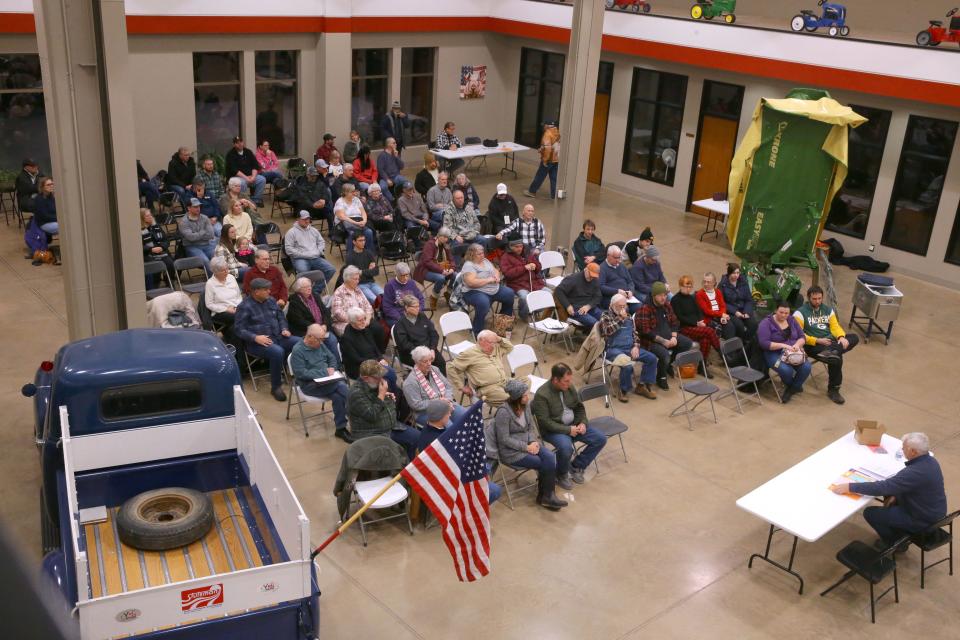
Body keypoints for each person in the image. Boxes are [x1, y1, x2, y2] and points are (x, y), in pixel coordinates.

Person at [831, 432, 946, 549]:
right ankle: (898, 529)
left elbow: (882, 488)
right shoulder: (931, 461)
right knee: (890, 495)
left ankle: (896, 543)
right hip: (933, 511)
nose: (902, 449)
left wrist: (850, 487)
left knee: (871, 513)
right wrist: (896, 494)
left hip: (920, 519)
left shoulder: (915, 472)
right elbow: (911, 485)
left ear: (913, 452)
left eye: (904, 447)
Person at [488, 379, 567, 510]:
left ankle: (547, 495)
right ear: (517, 397)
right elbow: (504, 439)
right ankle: (545, 497)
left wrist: (533, 441)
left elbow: (530, 428)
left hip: (529, 443)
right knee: (542, 463)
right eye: (525, 395)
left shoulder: (526, 406)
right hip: (511, 452)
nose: (528, 396)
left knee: (549, 457)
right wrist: (526, 447)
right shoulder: (504, 412)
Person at [531, 363, 606, 488]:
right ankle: (561, 474)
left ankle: (576, 466)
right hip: (553, 431)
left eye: (569, 380)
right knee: (566, 448)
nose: (569, 383)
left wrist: (583, 422)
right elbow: (545, 422)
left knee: (600, 439)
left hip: (574, 425)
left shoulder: (569, 387)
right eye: (565, 381)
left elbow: (579, 408)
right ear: (555, 380)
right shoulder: (542, 395)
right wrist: (567, 430)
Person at [234, 278, 298, 401]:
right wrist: (255, 337)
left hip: (278, 336)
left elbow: (281, 317)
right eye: (266, 289)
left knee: (301, 343)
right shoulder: (244, 307)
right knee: (277, 352)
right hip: (258, 342)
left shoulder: (271, 300)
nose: (269, 291)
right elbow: (239, 329)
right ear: (256, 292)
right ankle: (276, 387)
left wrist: (284, 328)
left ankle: (302, 376)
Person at [794, 285, 860, 405]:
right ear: (809, 298)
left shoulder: (828, 310)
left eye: (820, 298)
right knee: (837, 359)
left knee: (854, 338)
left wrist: (841, 337)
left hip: (831, 342)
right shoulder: (800, 313)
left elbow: (835, 327)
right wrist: (817, 340)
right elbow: (799, 335)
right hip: (813, 345)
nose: (817, 301)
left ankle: (833, 351)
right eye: (814, 299)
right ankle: (833, 390)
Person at [291, 324, 353, 443]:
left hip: (328, 382)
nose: (322, 342)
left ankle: (340, 429)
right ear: (309, 337)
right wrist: (324, 372)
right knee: (341, 385)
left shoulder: (320, 343)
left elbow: (332, 358)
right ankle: (358, 414)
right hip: (310, 385)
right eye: (320, 339)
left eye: (323, 339)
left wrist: (332, 369)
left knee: (338, 396)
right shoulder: (298, 350)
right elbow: (301, 373)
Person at [346, 360, 419, 460]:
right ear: (366, 378)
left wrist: (386, 396)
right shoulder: (356, 393)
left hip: (390, 427)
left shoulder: (373, 384)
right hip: (372, 433)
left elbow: (377, 402)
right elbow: (372, 415)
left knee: (417, 437)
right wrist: (381, 395)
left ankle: (407, 466)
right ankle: (399, 467)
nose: (382, 380)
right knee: (395, 451)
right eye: (378, 377)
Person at [598, 294, 658, 401]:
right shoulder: (605, 315)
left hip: (629, 348)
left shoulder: (629, 317)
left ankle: (642, 386)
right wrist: (620, 319)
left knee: (652, 358)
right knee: (627, 364)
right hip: (612, 349)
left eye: (624, 306)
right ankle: (623, 390)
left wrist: (636, 346)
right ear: (612, 305)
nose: (623, 308)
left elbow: (635, 334)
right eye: (620, 306)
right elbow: (606, 331)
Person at [636, 282, 694, 388]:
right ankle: (661, 377)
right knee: (664, 355)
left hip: (668, 336)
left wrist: (674, 337)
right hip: (651, 341)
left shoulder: (667, 305)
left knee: (687, 343)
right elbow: (646, 332)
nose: (664, 298)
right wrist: (663, 341)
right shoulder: (645, 309)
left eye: (665, 295)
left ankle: (667, 365)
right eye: (661, 295)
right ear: (654, 296)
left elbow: (675, 322)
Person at [757, 299, 812, 403]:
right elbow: (764, 343)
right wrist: (783, 345)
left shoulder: (792, 320)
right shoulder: (766, 323)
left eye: (786, 313)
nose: (784, 315)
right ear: (775, 310)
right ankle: (794, 386)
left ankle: (791, 389)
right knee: (786, 370)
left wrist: (797, 345)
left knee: (806, 367)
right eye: (781, 312)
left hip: (793, 351)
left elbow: (802, 337)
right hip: (773, 353)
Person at [460, 243, 515, 337]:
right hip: (474, 291)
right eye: (479, 254)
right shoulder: (469, 265)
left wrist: (497, 277)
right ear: (472, 254)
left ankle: (502, 323)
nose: (482, 255)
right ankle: (477, 331)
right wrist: (489, 280)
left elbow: (495, 270)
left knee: (509, 293)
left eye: (483, 253)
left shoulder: (485, 260)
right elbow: (471, 283)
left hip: (493, 289)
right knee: (483, 303)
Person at [448, 330, 514, 407]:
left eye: (495, 342)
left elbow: (510, 347)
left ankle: (522, 414)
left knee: (525, 384)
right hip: (488, 389)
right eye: (491, 342)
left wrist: (499, 339)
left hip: (504, 382)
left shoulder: (495, 347)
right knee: (512, 402)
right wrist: (461, 387)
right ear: (481, 341)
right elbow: (451, 367)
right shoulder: (470, 353)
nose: (494, 345)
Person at [403, 345, 464, 425]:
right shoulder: (410, 383)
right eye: (425, 361)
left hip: (446, 404)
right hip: (426, 413)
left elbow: (448, 387)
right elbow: (416, 405)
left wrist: (447, 400)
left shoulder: (435, 369)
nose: (429, 364)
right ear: (417, 362)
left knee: (465, 416)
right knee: (449, 427)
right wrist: (438, 402)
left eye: (430, 360)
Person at [672, 275, 720, 371]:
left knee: (706, 340)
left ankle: (702, 366)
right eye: (686, 286)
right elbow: (680, 317)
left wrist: (701, 321)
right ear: (681, 286)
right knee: (709, 331)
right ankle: (721, 351)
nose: (688, 289)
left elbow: (699, 311)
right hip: (684, 328)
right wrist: (696, 323)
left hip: (696, 327)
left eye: (690, 286)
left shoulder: (692, 298)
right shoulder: (675, 300)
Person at [340, 308, 396, 390]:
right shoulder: (346, 338)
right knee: (389, 374)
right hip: (359, 367)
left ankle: (390, 395)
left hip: (373, 362)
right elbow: (356, 359)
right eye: (360, 320)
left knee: (389, 374)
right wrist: (376, 362)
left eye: (364, 319)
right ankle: (388, 396)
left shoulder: (365, 330)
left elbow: (375, 348)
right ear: (352, 322)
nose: (364, 322)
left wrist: (380, 358)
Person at [394, 297, 444, 373]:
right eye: (415, 307)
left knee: (441, 363)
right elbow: (404, 345)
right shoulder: (400, 324)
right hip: (413, 354)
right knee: (426, 369)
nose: (418, 308)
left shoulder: (422, 316)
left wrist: (432, 349)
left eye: (418, 306)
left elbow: (433, 334)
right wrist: (422, 353)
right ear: (406, 308)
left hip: (429, 350)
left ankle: (442, 384)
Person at [284, 210, 336, 283]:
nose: (307, 221)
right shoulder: (291, 232)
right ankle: (305, 290)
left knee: (331, 269)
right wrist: (305, 255)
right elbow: (289, 250)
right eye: (304, 219)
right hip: (300, 259)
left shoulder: (314, 230)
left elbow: (321, 242)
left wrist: (318, 251)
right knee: (304, 272)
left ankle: (315, 291)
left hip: (315, 257)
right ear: (298, 219)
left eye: (308, 219)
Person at [499, 238, 544, 320]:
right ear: (510, 247)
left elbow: (539, 268)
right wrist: (524, 268)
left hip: (534, 282)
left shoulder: (528, 253)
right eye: (516, 247)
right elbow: (508, 273)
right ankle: (524, 314)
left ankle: (535, 310)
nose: (519, 248)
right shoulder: (505, 257)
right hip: (517, 284)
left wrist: (535, 265)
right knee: (525, 297)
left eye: (521, 246)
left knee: (548, 293)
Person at [413, 227, 456, 309]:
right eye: (444, 237)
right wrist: (442, 271)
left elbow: (451, 259)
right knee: (441, 278)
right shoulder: (430, 244)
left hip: (442, 269)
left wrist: (452, 269)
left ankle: (448, 293)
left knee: (455, 275)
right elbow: (427, 262)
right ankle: (434, 297)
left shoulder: (446, 245)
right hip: (426, 270)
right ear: (439, 235)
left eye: (447, 237)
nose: (446, 239)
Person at [555, 262, 603, 328]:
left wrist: (588, 306)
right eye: (590, 275)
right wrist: (567, 305)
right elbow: (558, 290)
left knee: (605, 318)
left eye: (594, 276)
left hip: (589, 307)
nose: (592, 278)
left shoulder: (594, 280)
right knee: (594, 323)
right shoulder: (573, 279)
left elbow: (598, 296)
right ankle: (595, 336)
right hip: (576, 308)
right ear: (586, 269)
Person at [330, 265, 374, 336]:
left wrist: (367, 319)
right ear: (347, 279)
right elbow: (338, 313)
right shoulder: (339, 292)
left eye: (358, 279)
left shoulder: (357, 289)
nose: (358, 281)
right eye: (355, 279)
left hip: (362, 320)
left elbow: (368, 306)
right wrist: (355, 321)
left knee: (378, 329)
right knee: (361, 334)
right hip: (346, 323)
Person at [718, 263, 758, 339]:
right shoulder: (723, 284)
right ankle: (738, 343)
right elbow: (721, 302)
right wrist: (735, 312)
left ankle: (745, 341)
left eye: (738, 273)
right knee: (739, 326)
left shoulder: (743, 282)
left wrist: (747, 312)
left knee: (753, 324)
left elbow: (749, 299)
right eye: (734, 273)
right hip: (731, 312)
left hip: (743, 310)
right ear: (729, 273)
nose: (736, 275)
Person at [523, 120, 560, 199]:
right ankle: (554, 195)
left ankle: (532, 191)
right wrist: (542, 148)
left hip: (549, 159)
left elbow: (548, 148)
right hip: (556, 159)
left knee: (540, 176)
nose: (543, 127)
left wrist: (545, 160)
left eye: (544, 125)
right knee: (554, 178)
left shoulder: (547, 134)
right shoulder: (557, 132)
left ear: (548, 126)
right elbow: (552, 145)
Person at [225, 136, 266, 206]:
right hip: (236, 177)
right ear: (234, 144)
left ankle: (256, 200)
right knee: (242, 183)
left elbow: (255, 165)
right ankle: (242, 201)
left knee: (262, 179)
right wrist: (247, 178)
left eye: (241, 142)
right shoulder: (230, 154)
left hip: (250, 176)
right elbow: (235, 171)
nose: (240, 144)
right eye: (237, 143)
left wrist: (253, 177)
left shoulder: (248, 152)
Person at [205, 256, 243, 329]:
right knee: (239, 317)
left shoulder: (231, 277)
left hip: (236, 308)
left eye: (227, 269)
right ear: (215, 272)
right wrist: (226, 309)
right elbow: (209, 304)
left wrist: (237, 307)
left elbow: (239, 296)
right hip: (220, 312)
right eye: (223, 270)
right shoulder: (210, 284)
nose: (226, 272)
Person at [443, 189, 484, 255]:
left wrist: (474, 232)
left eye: (461, 197)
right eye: (458, 198)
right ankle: (457, 265)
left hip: (471, 234)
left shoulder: (469, 208)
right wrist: (455, 236)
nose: (460, 200)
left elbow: (476, 223)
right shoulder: (448, 211)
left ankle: (482, 261)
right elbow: (446, 228)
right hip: (459, 236)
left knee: (483, 240)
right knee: (456, 246)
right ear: (453, 199)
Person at [140, 208, 175, 286]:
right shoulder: (138, 230)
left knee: (170, 263)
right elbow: (139, 246)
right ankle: (155, 284)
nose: (151, 217)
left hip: (161, 251)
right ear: (142, 218)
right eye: (147, 216)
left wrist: (162, 247)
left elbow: (166, 240)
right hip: (148, 254)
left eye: (150, 215)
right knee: (156, 265)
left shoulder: (156, 227)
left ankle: (168, 281)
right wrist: (151, 249)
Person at [344, 234, 383, 303]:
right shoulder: (350, 256)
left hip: (372, 283)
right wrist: (369, 271)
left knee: (385, 297)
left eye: (364, 240)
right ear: (354, 242)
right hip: (360, 284)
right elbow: (353, 275)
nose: (363, 242)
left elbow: (376, 271)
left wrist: (361, 272)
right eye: (360, 240)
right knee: (376, 301)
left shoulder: (368, 253)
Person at [696, 272, 736, 340]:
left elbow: (723, 306)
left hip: (720, 316)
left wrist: (723, 316)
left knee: (735, 324)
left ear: (714, 283)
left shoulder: (718, 292)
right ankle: (727, 348)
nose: (705, 284)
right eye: (704, 281)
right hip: (710, 318)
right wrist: (721, 314)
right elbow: (706, 311)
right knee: (728, 327)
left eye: (708, 282)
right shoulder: (700, 294)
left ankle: (737, 346)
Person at [599, 245, 639, 311]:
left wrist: (631, 291)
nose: (618, 260)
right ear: (608, 256)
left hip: (627, 297)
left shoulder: (622, 266)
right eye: (615, 258)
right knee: (625, 309)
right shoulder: (602, 268)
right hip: (612, 298)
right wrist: (617, 291)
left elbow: (630, 281)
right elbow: (601, 287)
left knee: (639, 306)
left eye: (619, 257)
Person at [178, 197, 215, 267]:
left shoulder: (205, 218)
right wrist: (203, 231)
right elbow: (191, 238)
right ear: (189, 208)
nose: (198, 208)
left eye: (199, 206)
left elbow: (211, 234)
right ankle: (214, 277)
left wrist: (197, 235)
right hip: (192, 247)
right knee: (205, 261)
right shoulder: (183, 222)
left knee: (218, 259)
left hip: (207, 245)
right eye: (195, 207)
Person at [376, 137, 404, 201]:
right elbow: (380, 169)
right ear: (389, 144)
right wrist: (387, 179)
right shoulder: (382, 155)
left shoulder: (396, 153)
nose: (396, 144)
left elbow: (402, 166)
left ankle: (403, 199)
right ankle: (392, 200)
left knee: (405, 183)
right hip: (386, 178)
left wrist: (397, 157)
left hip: (396, 176)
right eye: (394, 143)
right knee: (383, 187)